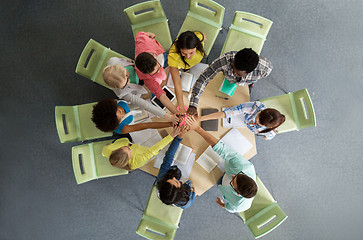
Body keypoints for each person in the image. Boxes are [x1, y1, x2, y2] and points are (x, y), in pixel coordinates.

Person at [186, 117, 257, 212]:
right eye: (236, 175)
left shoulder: (239, 206)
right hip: (224, 172)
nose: (232, 175)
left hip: (222, 184)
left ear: (238, 193)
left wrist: (222, 204)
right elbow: (222, 149)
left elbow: (230, 208)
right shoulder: (246, 167)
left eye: (233, 182)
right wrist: (197, 129)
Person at [187, 48, 273, 116]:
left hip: (246, 84)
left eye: (238, 74)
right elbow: (204, 78)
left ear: (248, 72)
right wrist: (193, 104)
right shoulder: (225, 60)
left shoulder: (264, 69)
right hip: (228, 80)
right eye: (233, 68)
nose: (233, 73)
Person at [102, 57, 175, 123]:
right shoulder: (123, 93)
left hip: (139, 71)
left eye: (127, 79)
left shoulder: (113, 60)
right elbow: (144, 104)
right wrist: (168, 116)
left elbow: (126, 61)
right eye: (124, 86)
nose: (128, 83)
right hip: (139, 85)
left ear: (122, 68)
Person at [134, 31, 178, 113]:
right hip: (156, 61)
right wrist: (176, 112)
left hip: (160, 53)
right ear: (148, 74)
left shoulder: (143, 42)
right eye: (155, 73)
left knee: (166, 63)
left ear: (154, 58)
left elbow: (139, 34)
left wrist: (149, 34)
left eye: (158, 68)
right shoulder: (146, 78)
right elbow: (161, 95)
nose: (159, 72)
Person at [102, 126, 181, 171]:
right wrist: (172, 135)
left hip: (128, 142)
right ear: (129, 159)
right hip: (144, 149)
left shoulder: (108, 150)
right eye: (129, 150)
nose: (130, 148)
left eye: (126, 147)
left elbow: (106, 149)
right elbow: (155, 149)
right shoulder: (138, 161)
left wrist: (125, 143)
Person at [199, 101, 285, 140]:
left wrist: (267, 137)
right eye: (258, 116)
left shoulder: (270, 132)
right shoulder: (255, 107)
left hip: (243, 125)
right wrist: (201, 118)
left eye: (259, 122)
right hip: (242, 117)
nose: (256, 120)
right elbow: (226, 113)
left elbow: (269, 136)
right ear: (263, 110)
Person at [156, 126, 196, 209]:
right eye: (177, 182)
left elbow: (169, 157)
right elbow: (191, 199)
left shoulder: (161, 178)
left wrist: (179, 137)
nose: (174, 178)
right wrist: (193, 193)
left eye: (170, 179)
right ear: (180, 191)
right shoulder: (185, 202)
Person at [168, 31, 206, 113]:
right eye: (184, 53)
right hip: (184, 66)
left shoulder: (198, 36)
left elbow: (203, 36)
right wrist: (181, 106)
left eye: (191, 52)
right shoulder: (173, 57)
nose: (188, 56)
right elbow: (177, 84)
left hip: (196, 64)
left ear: (196, 45)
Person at [91, 99, 172, 134]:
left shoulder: (115, 103)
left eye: (120, 111)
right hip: (138, 117)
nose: (123, 115)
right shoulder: (122, 129)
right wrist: (170, 124)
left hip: (138, 104)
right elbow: (146, 125)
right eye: (120, 119)